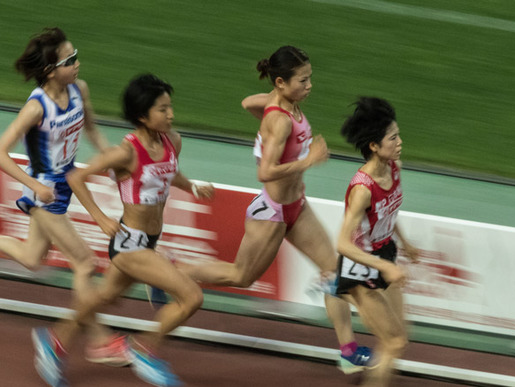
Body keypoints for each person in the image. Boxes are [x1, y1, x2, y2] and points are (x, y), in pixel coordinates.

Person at [0, 27, 130, 366]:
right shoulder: (37, 108)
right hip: (43, 188)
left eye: (76, 55)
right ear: (51, 70)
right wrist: (34, 185)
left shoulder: (79, 89)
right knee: (83, 262)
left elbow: (92, 127)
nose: (78, 64)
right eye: (70, 60)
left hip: (66, 180)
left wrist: (109, 160)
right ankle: (99, 342)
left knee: (32, 258)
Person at [177, 45, 373, 374]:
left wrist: (270, 110)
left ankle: (348, 351)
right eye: (303, 81)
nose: (310, 86)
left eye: (311, 79)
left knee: (336, 274)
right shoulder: (280, 121)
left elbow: (248, 103)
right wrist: (306, 160)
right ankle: (173, 272)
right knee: (241, 276)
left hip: (297, 206)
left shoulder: (282, 104)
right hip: (272, 213)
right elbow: (265, 172)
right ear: (282, 82)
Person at [31, 73, 214, 387]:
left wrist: (193, 186)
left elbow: (171, 174)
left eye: (170, 107)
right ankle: (144, 349)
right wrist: (100, 218)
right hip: (130, 244)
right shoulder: (125, 153)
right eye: (162, 109)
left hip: (150, 241)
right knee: (191, 297)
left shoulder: (174, 140)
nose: (170, 114)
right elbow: (75, 177)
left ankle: (54, 341)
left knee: (104, 297)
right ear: (142, 116)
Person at [335, 97, 419, 386]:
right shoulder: (362, 189)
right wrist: (384, 268)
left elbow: (389, 212)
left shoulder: (394, 167)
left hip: (385, 253)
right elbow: (343, 244)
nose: (399, 142)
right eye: (392, 137)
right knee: (394, 341)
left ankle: (371, 376)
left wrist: (405, 244)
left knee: (397, 339)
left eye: (398, 135)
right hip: (360, 267)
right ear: (373, 145)